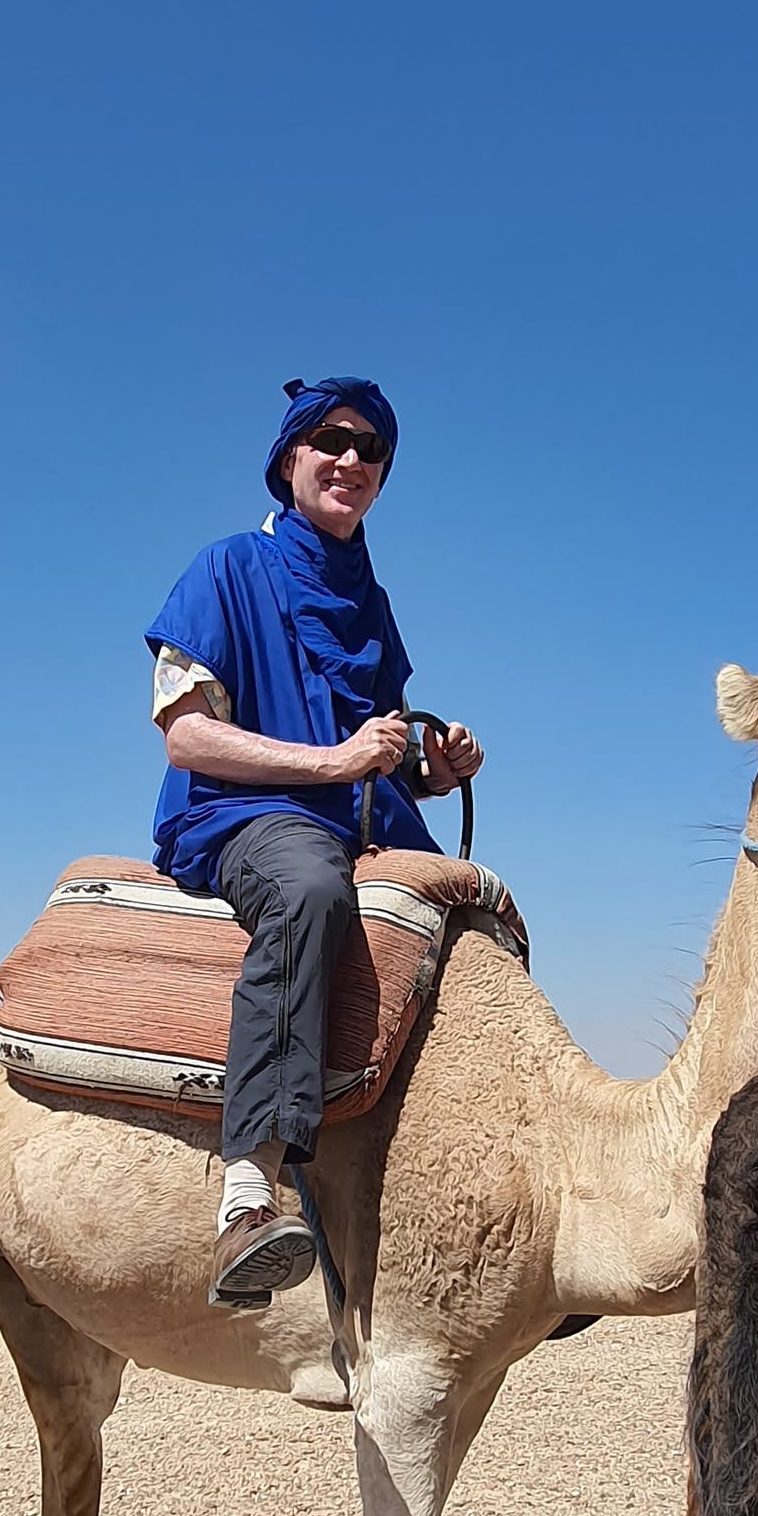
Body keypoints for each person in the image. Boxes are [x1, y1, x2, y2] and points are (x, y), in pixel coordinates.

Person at [145, 376, 483, 1307]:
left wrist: (429, 771)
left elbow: (374, 753)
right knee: (309, 892)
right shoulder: (225, 569)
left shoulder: (370, 602)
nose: (351, 460)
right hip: (247, 817)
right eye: (332, 440)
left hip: (358, 820)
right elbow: (186, 736)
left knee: (481, 909)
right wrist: (334, 763)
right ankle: (249, 1195)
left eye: (372, 450)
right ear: (290, 457)